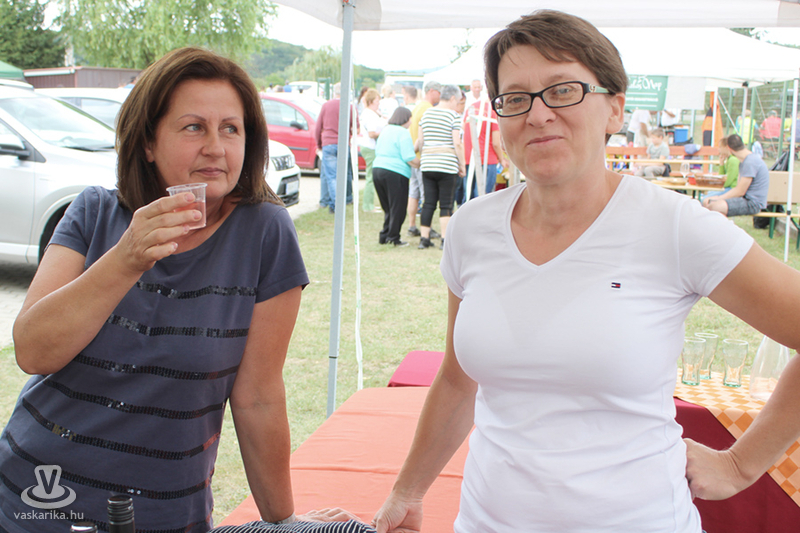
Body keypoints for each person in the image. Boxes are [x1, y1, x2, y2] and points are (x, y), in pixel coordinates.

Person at [373, 10, 800, 533]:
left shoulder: (673, 226)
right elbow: (458, 381)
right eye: (515, 98)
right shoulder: (470, 227)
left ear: (614, 109)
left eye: (562, 91)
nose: (538, 115)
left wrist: (740, 464)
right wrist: (407, 491)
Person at [0, 47, 348, 532]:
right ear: (148, 142)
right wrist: (125, 258)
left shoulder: (264, 233)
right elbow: (33, 351)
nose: (216, 147)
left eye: (231, 128)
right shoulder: (94, 213)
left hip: (166, 512)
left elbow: (258, 396)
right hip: (34, 499)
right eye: (193, 127)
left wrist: (283, 521)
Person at [415, 85, 466, 250]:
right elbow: (457, 143)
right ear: (452, 98)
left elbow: (420, 141)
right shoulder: (454, 116)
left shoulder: (427, 114)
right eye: (457, 101)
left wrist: (425, 157)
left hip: (428, 164)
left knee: (428, 202)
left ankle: (424, 239)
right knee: (446, 204)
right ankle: (444, 240)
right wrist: (462, 164)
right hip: (447, 165)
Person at [373, 107, 420, 246]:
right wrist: (421, 163)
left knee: (388, 207)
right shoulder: (403, 132)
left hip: (378, 169)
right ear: (406, 119)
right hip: (396, 172)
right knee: (398, 207)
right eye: (410, 119)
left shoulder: (385, 130)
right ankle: (393, 237)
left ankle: (384, 235)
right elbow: (408, 157)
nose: (411, 122)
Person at [406, 81, 441, 239]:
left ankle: (412, 225)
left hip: (414, 158)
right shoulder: (428, 109)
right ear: (432, 91)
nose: (440, 96)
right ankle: (427, 228)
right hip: (423, 159)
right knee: (427, 196)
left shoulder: (417, 107)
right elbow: (424, 136)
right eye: (439, 92)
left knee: (414, 193)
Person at [702, 133, 769, 216]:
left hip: (753, 203)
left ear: (729, 148)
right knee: (709, 203)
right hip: (746, 199)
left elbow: (740, 191)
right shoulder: (745, 161)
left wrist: (718, 198)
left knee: (713, 206)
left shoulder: (750, 162)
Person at [315, 83, 355, 213]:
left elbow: (318, 127)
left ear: (334, 92)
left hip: (328, 143)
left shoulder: (326, 105)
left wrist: (319, 144)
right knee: (344, 174)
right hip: (343, 143)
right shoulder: (349, 107)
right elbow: (355, 126)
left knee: (331, 176)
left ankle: (335, 205)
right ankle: (343, 200)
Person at [463, 97, 509, 197]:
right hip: (487, 159)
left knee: (469, 195)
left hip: (469, 158)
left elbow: (463, 131)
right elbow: (496, 142)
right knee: (485, 196)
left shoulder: (470, 109)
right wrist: (502, 160)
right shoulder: (492, 112)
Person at [358, 88, 386, 212]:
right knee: (371, 176)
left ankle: (369, 204)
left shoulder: (369, 113)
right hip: (370, 147)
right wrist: (383, 132)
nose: (378, 103)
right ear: (370, 101)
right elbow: (372, 133)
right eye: (376, 101)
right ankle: (368, 206)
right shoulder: (370, 114)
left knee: (371, 176)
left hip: (368, 146)